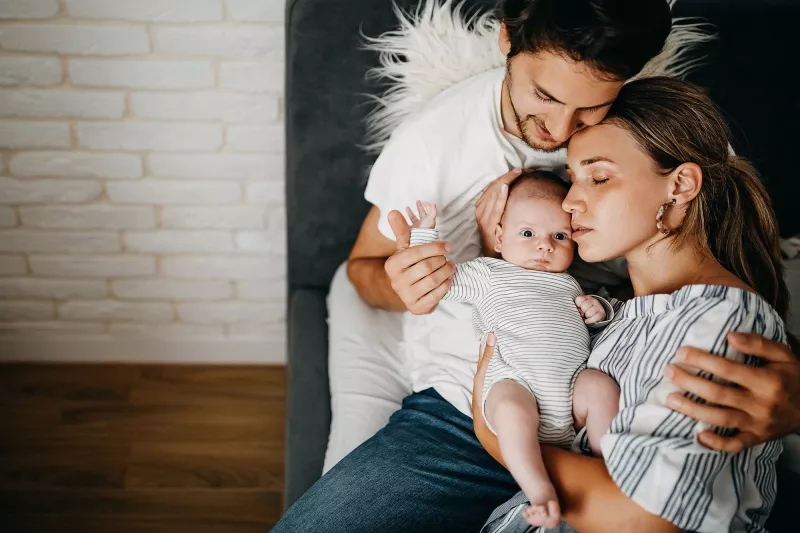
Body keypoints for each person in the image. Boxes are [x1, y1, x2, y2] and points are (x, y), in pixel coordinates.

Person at [273, 1, 800, 531]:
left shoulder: (643, 123)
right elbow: (364, 266)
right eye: (545, 96)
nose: (559, 129)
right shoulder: (435, 140)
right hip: (469, 403)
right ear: (506, 40)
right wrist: (408, 283)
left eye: (589, 110)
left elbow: (729, 286)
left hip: (598, 388)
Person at [474, 76, 795, 533]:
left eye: (598, 177)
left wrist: (496, 437)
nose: (568, 201)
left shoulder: (722, 319)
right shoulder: (621, 313)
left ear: (680, 184)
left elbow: (647, 521)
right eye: (571, 179)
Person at [406, 173, 619, 529]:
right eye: (528, 234)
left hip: (569, 391)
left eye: (559, 236)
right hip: (514, 380)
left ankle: (608, 467)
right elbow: (435, 277)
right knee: (509, 408)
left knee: (600, 387)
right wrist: (424, 234)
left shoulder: (569, 283)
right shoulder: (488, 273)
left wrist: (598, 308)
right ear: (500, 238)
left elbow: (594, 317)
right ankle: (539, 489)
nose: (544, 246)